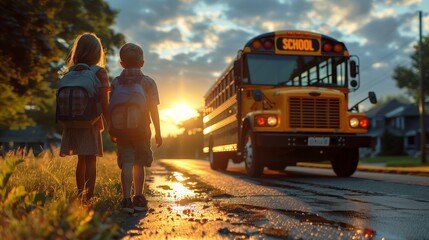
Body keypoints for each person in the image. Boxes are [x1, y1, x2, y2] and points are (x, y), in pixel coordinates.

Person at [110, 42, 162, 213]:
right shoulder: (148, 82)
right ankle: (138, 198)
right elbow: (154, 109)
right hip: (141, 130)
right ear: (142, 63)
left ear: (122, 64)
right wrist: (158, 132)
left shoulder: (116, 83)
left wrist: (112, 128)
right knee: (139, 163)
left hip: (121, 131)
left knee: (126, 162)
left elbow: (111, 108)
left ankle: (126, 200)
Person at [59, 33, 110, 202]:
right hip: (91, 123)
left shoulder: (70, 72)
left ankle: (80, 194)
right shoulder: (100, 72)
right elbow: (105, 104)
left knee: (81, 160)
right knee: (91, 160)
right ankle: (89, 196)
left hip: (72, 123)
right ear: (97, 53)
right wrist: (111, 124)